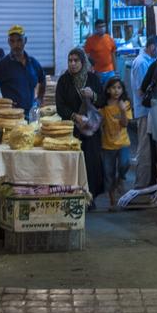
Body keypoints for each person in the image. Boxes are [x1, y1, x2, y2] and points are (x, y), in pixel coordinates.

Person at [55, 47, 104, 203]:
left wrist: (93, 95)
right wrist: (74, 116)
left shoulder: (93, 79)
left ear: (83, 62)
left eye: (76, 61)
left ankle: (91, 199)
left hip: (91, 131)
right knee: (73, 165)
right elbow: (60, 105)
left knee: (91, 164)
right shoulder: (64, 81)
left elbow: (103, 100)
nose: (73, 64)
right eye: (70, 61)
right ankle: (74, 197)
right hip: (71, 130)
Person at [0, 25, 46, 115]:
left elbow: (42, 79)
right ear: (8, 42)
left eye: (19, 40)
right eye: (12, 41)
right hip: (12, 117)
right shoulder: (3, 64)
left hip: (32, 115)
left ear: (25, 40)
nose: (16, 44)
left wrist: (39, 99)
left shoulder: (33, 62)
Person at [130, 35, 157, 189]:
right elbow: (142, 91)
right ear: (151, 47)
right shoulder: (141, 63)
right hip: (144, 111)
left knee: (147, 147)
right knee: (144, 147)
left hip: (147, 110)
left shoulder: (147, 61)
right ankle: (141, 184)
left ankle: (147, 181)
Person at [99, 76, 133, 209]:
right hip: (107, 144)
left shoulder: (126, 104)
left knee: (125, 163)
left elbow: (125, 124)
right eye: (113, 88)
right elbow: (99, 124)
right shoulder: (104, 107)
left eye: (119, 88)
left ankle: (121, 179)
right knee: (108, 173)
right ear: (108, 90)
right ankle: (112, 200)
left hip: (123, 142)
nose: (116, 91)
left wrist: (123, 110)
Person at [84, 19, 117, 85]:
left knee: (111, 91)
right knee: (99, 92)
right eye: (100, 27)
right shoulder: (90, 40)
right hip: (97, 72)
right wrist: (90, 70)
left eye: (103, 26)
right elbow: (86, 56)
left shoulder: (110, 39)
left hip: (110, 71)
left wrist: (115, 70)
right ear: (96, 28)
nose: (102, 28)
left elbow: (113, 55)